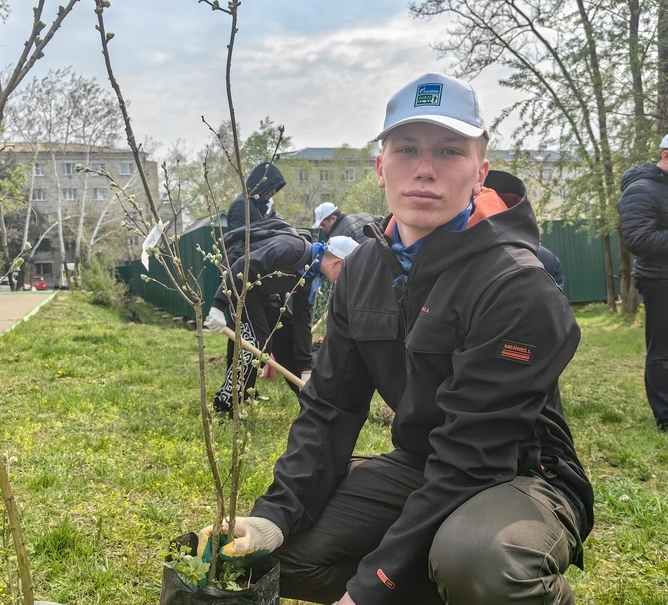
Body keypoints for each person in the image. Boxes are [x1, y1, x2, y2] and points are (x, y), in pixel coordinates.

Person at [199, 72, 593, 604]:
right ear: (381, 166)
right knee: (257, 557)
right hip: (420, 465)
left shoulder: (517, 285)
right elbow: (328, 412)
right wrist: (273, 519)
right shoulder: (361, 270)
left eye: (450, 151)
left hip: (518, 474)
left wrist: (368, 589)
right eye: (407, 149)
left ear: (480, 171)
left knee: (476, 563)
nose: (425, 170)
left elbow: (474, 457)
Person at [205, 218, 358, 416]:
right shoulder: (292, 249)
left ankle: (311, 402)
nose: (345, 280)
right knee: (255, 344)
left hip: (262, 293)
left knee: (287, 335)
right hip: (237, 284)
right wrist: (219, 305)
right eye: (347, 273)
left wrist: (305, 369)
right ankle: (226, 405)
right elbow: (245, 264)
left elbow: (303, 322)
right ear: (338, 263)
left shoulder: (311, 276)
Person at [618, 138, 668, 432]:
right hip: (659, 279)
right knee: (662, 350)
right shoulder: (641, 189)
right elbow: (639, 239)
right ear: (665, 155)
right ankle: (665, 415)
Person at [226, 162, 286, 231]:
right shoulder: (241, 205)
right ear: (263, 183)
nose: (274, 192)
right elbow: (236, 238)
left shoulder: (256, 207)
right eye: (272, 186)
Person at [313, 202, 384, 244]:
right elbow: (385, 220)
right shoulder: (365, 216)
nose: (323, 228)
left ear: (333, 218)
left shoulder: (335, 238)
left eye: (323, 224)